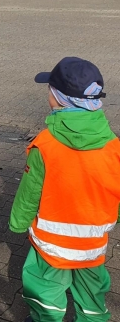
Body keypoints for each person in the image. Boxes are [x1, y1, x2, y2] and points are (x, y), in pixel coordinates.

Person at [9, 57, 120, 322]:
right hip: (93, 245)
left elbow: (30, 192)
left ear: (59, 98)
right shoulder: (114, 145)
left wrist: (17, 222)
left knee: (45, 294)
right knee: (92, 297)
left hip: (51, 245)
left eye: (50, 90)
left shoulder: (45, 144)